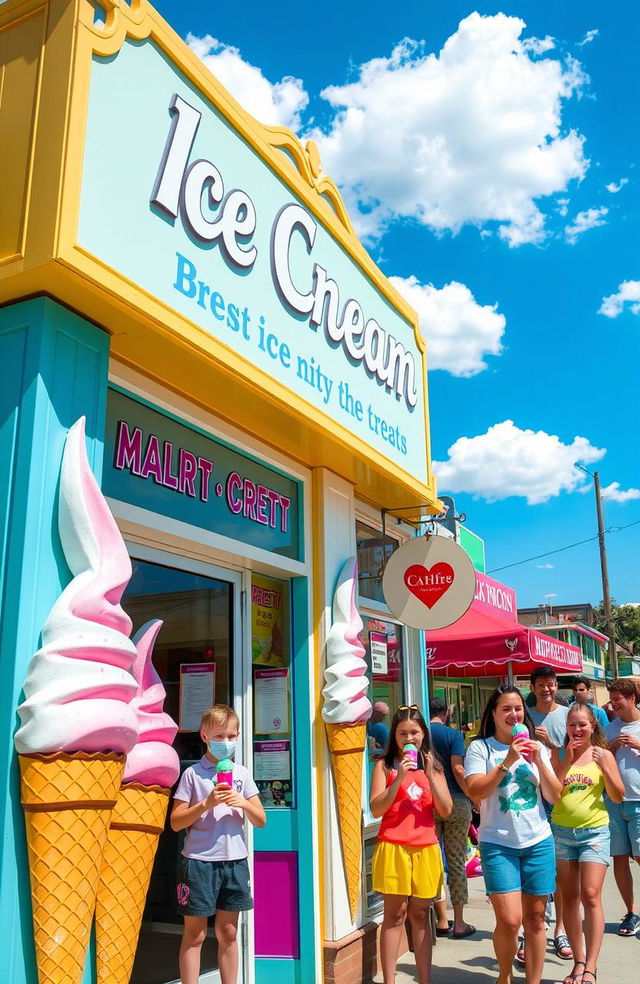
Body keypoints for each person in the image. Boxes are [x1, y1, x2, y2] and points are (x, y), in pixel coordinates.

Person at [465, 684, 561, 984]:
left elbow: (555, 796)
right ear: (493, 714)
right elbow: (475, 791)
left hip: (538, 842)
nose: (513, 714)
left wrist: (539, 764)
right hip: (498, 844)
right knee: (509, 920)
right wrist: (507, 760)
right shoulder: (480, 748)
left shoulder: (538, 749)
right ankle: (504, 975)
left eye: (517, 708)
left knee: (535, 921)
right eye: (506, 709)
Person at [171, 704, 266, 984]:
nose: (226, 742)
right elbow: (176, 822)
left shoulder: (242, 774)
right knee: (195, 934)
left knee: (229, 933)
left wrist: (243, 804)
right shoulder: (193, 775)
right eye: (220, 736)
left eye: (231, 736)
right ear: (204, 736)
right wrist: (206, 803)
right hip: (199, 862)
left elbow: (261, 819)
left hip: (234, 862)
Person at [370, 705, 452, 984]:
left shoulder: (434, 765)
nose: (409, 738)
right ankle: (390, 980)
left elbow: (446, 810)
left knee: (420, 913)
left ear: (423, 734)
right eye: (402, 733)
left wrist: (429, 773)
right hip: (393, 846)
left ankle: (425, 979)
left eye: (414, 732)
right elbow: (376, 808)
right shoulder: (384, 765)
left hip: (425, 847)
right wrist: (400, 779)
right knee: (395, 915)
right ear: (394, 735)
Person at [551, 703, 624, 984]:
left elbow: (617, 796)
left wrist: (606, 765)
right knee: (568, 898)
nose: (577, 730)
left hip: (594, 833)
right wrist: (566, 761)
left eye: (582, 724)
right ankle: (578, 963)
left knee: (590, 895)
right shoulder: (560, 753)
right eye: (572, 725)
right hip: (562, 834)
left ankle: (591, 967)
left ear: (593, 726)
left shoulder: (603, 754)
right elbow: (553, 793)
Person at [527, 665, 572, 962]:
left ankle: (561, 928)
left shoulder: (569, 716)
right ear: (532, 688)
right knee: (538, 866)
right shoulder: (525, 716)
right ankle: (535, 926)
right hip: (532, 799)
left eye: (552, 684)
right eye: (541, 684)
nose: (547, 689)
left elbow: (576, 753)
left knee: (561, 867)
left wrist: (551, 745)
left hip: (563, 796)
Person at [429, 697, 476, 939]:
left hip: (429, 802)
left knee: (433, 860)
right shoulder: (454, 736)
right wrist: (472, 796)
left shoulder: (421, 735)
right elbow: (459, 770)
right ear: (446, 712)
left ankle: (441, 919)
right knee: (456, 860)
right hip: (455, 800)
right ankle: (459, 921)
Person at [605, 679, 640, 937]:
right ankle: (631, 911)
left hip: (638, 801)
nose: (613, 704)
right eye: (612, 699)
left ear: (632, 698)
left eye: (618, 699)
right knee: (619, 858)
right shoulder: (610, 728)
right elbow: (597, 758)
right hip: (613, 802)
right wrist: (611, 747)